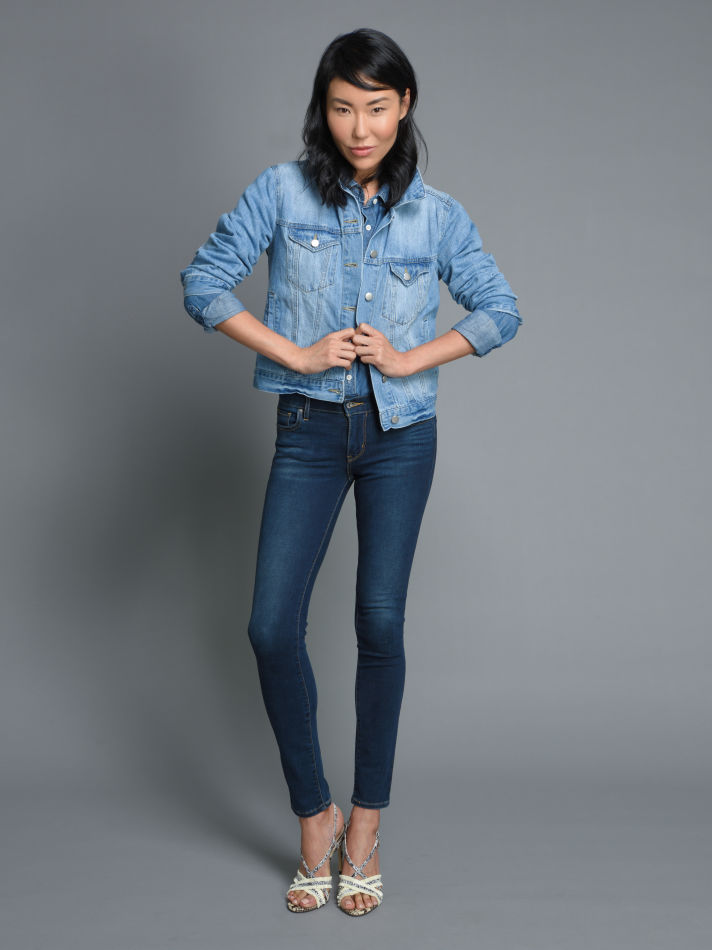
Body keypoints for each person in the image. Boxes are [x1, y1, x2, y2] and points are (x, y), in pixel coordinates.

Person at [179, 27, 521, 916]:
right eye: (342, 108)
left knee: (379, 620)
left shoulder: (437, 214)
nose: (359, 128)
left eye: (376, 107)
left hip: (402, 437)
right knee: (269, 626)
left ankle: (365, 825)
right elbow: (204, 282)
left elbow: (500, 308)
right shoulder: (280, 192)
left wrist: (409, 359)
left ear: (404, 106)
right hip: (308, 430)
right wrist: (294, 353)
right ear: (321, 109)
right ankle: (316, 816)